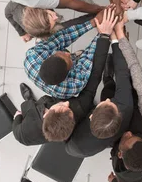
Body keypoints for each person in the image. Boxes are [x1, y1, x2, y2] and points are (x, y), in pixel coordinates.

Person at [11, 12, 113, 145]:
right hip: (59, 94)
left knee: (59, 43)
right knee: (82, 60)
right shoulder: (72, 87)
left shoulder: (33, 56)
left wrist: (91, 23)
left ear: (46, 114)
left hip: (37, 106)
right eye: (69, 109)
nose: (67, 103)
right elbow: (90, 65)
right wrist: (103, 35)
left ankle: (29, 99)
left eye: (62, 106)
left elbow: (60, 39)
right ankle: (75, 58)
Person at [23, 8, 118, 100]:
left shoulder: (34, 54)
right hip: (73, 77)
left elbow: (62, 38)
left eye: (62, 53)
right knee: (89, 61)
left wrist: (92, 22)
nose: (67, 53)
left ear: (50, 55)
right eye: (69, 60)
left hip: (47, 62)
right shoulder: (73, 85)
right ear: (69, 72)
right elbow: (88, 58)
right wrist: (104, 34)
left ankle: (73, 57)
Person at [65, 37, 134, 158]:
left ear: (91, 116)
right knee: (108, 91)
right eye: (110, 103)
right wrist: (117, 42)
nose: (107, 99)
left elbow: (95, 77)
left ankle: (107, 78)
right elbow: (122, 73)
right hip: (80, 147)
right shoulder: (126, 105)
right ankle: (107, 79)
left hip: (79, 147)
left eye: (104, 103)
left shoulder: (75, 144)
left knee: (107, 90)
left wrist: (106, 39)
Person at [4, 3, 94, 41]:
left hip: (39, 2)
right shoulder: (41, 30)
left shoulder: (16, 5)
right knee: (67, 27)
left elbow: (7, 12)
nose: (56, 16)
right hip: (43, 29)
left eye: (51, 16)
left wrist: (21, 33)